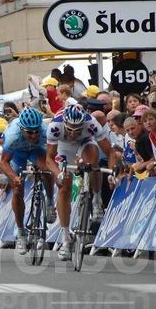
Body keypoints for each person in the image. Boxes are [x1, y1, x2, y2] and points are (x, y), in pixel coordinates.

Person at [46, 104, 115, 261]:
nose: (73, 133)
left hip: (86, 141)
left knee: (92, 161)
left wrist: (112, 172)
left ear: (83, 123)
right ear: (65, 123)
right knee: (64, 187)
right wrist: (58, 174)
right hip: (63, 146)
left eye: (77, 129)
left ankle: (96, 199)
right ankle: (65, 239)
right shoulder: (55, 126)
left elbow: (110, 152)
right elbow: (49, 159)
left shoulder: (91, 123)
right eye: (70, 129)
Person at [0, 107, 55, 254]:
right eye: (29, 132)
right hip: (17, 154)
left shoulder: (46, 131)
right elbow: (3, 162)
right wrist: (14, 177)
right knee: (17, 189)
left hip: (36, 151)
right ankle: (21, 232)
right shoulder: (13, 136)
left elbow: (53, 156)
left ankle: (50, 202)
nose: (34, 135)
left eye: (36, 131)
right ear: (21, 129)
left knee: (47, 169)